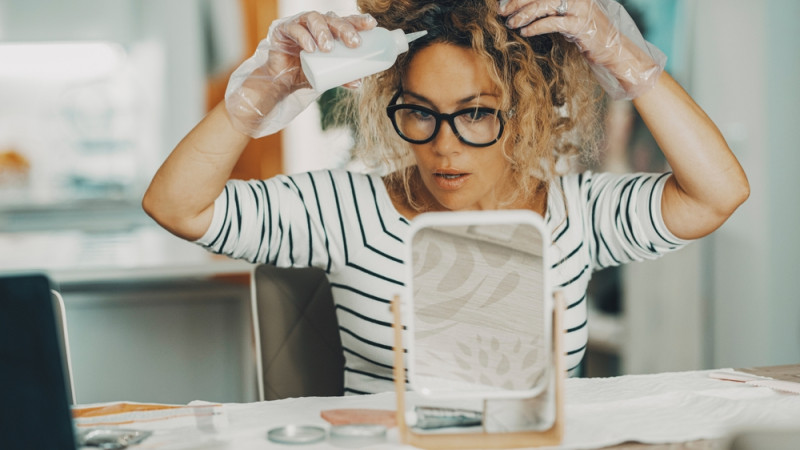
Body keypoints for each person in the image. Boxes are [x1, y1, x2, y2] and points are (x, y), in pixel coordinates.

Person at [143, 0, 749, 395]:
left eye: (476, 114)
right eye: (420, 113)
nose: (443, 147)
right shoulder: (340, 211)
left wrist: (625, 56)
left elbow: (718, 193)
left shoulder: (575, 214)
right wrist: (267, 86)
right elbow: (176, 206)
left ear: (527, 111)